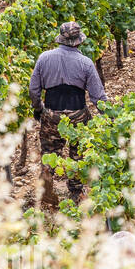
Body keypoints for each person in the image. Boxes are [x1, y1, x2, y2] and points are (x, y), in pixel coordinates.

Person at [29, 22, 108, 205]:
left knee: (49, 154)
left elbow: (34, 90)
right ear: (79, 42)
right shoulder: (86, 63)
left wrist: (39, 109)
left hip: (51, 115)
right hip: (78, 116)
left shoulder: (44, 58)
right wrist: (110, 118)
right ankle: (76, 195)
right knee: (78, 156)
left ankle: (47, 196)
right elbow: (98, 97)